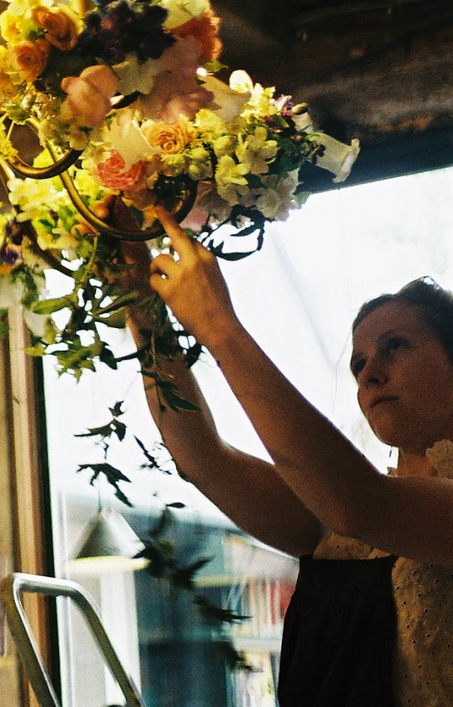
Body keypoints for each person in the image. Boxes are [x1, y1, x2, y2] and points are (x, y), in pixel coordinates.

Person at [122, 207, 453, 707]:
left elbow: (360, 503)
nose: (369, 373)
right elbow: (202, 460)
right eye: (359, 362)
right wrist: (145, 314)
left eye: (396, 347)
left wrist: (219, 327)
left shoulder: (362, 505)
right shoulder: (334, 527)